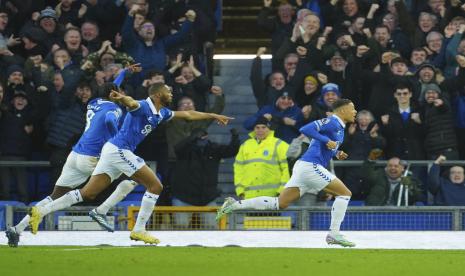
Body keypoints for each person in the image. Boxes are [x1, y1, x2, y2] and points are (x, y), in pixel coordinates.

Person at [28, 83, 232, 244]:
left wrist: (213, 115)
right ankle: (139, 230)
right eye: (168, 90)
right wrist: (123, 98)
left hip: (112, 151)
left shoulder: (161, 113)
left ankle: (41, 211)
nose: (171, 93)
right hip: (119, 150)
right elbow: (132, 103)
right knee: (156, 185)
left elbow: (188, 115)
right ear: (157, 95)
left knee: (89, 193)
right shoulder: (143, 105)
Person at [217, 99, 357, 247]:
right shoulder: (332, 122)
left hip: (304, 167)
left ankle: (234, 205)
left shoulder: (340, 128)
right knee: (345, 194)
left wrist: (336, 152)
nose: (355, 111)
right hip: (311, 166)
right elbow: (305, 129)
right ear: (342, 110)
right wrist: (326, 140)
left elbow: (320, 144)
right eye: (352, 108)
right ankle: (334, 233)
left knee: (280, 203)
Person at [4, 82, 123, 247]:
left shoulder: (93, 103)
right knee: (105, 183)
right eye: (120, 91)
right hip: (90, 157)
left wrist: (125, 71)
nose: (122, 94)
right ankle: (98, 211)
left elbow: (112, 86)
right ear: (113, 94)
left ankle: (17, 229)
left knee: (54, 196)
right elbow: (110, 119)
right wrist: (117, 139)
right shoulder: (115, 109)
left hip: (74, 155)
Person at [235, 117, 289, 200]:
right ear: (254, 129)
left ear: (269, 129)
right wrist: (240, 191)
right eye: (257, 127)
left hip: (272, 197)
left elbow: (287, 169)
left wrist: (281, 191)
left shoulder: (279, 144)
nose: (260, 130)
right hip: (249, 197)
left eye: (263, 127)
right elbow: (238, 170)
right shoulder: (245, 145)